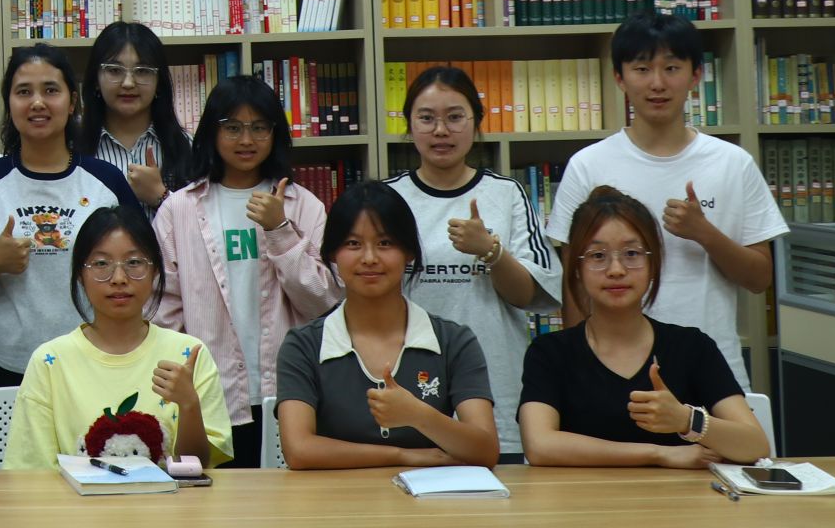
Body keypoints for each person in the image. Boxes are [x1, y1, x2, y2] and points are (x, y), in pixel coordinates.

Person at [551, 12, 788, 390]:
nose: (657, 83)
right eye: (642, 69)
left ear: (696, 76)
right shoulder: (588, 165)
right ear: (619, 77)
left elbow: (759, 279)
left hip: (712, 367)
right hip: (612, 370)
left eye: (672, 68)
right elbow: (574, 281)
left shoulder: (732, 163)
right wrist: (583, 368)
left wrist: (705, 233)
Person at [154, 75, 338, 468]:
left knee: (286, 503)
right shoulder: (179, 208)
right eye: (233, 127)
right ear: (212, 132)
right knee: (212, 500)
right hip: (207, 393)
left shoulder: (303, 205)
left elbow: (322, 301)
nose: (246, 140)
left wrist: (279, 230)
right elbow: (163, 308)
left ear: (275, 133)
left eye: (259, 127)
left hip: (289, 393)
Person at [0, 44, 148, 392]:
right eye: (24, 92)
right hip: (4, 361)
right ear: (9, 104)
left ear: (72, 103)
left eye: (51, 90)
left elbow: (140, 267)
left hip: (95, 355)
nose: (37, 103)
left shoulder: (106, 181)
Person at [382, 66, 559, 459]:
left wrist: (491, 252)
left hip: (496, 387)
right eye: (426, 118)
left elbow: (533, 296)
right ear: (409, 124)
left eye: (455, 117)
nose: (441, 130)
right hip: (405, 388)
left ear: (477, 122)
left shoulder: (507, 194)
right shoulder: (387, 200)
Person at [521, 187, 768, 467]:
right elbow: (539, 445)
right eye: (598, 256)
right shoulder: (550, 352)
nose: (616, 269)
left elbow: (755, 445)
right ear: (577, 268)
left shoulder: (692, 347)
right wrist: (658, 453)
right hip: (583, 495)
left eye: (632, 253)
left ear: (653, 263)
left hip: (679, 495)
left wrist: (687, 420)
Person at [275, 181, 499, 470]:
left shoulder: (453, 340)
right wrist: (402, 456)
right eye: (353, 244)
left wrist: (418, 415)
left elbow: (485, 451)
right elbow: (299, 450)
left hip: (432, 497)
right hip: (333, 497)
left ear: (409, 252)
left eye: (385, 243)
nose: (369, 258)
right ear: (331, 253)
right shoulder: (303, 345)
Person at [6, 205, 233, 470]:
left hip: (169, 498)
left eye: (134, 263)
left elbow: (199, 467)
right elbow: (31, 471)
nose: (119, 278)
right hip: (73, 498)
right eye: (101, 264)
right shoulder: (50, 361)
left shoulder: (188, 354)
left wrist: (188, 404)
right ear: (80, 275)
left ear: (156, 271)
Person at [76, 21, 193, 210]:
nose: (128, 83)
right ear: (95, 80)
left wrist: (161, 196)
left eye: (142, 71)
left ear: (159, 82)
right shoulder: (72, 149)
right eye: (115, 70)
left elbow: (205, 224)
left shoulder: (188, 147)